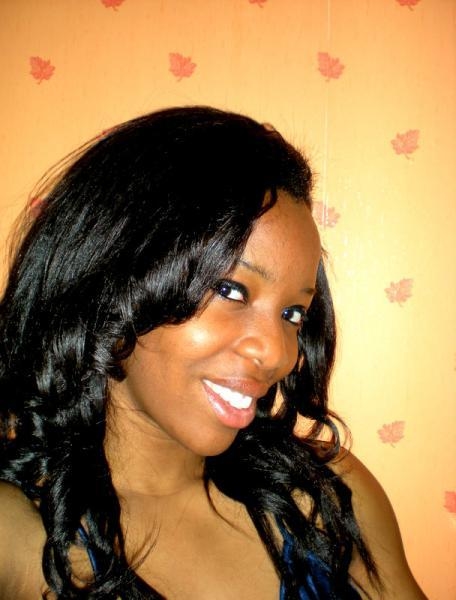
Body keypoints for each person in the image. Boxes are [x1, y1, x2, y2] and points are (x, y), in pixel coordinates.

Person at [0, 106, 425, 599]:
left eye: (293, 313)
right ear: (111, 279)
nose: (276, 353)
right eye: (230, 290)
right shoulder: (18, 536)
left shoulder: (327, 495)